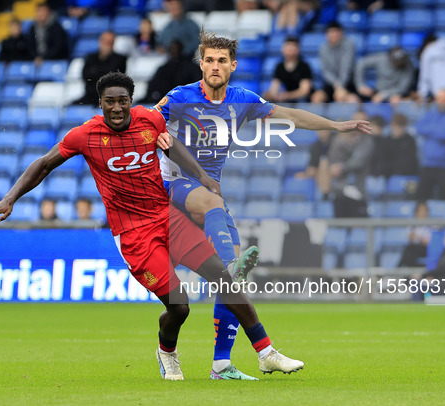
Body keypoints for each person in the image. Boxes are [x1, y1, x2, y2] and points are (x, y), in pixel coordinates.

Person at [0, 71, 305, 380]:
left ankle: (266, 353)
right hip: (134, 235)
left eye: (123, 101)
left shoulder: (149, 120)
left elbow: (171, 146)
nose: (117, 108)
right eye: (110, 101)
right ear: (100, 103)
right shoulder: (84, 135)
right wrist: (10, 198)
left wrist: (201, 175)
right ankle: (167, 352)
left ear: (131, 100)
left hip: (168, 218)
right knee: (180, 307)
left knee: (223, 277)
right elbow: (42, 164)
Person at [155, 29, 370, 379]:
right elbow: (145, 123)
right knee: (227, 255)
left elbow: (292, 116)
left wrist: (335, 125)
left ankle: (221, 365)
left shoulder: (242, 100)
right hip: (173, 185)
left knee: (232, 279)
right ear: (201, 63)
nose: (214, 66)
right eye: (208, 60)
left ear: (232, 66)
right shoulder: (178, 97)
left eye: (221, 61)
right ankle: (230, 271)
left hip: (209, 190)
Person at [415, 89, 445, 201]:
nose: (441, 102)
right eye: (439, 99)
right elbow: (419, 127)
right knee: (422, 200)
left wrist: (430, 130)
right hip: (428, 164)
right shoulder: (431, 113)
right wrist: (437, 128)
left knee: (443, 200)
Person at [327, 111, 373, 218]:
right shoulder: (340, 139)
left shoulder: (367, 141)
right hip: (339, 191)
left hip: (358, 192)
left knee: (359, 227)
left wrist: (341, 167)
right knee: (339, 227)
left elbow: (357, 161)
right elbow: (332, 158)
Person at [141, 40, 201, 104]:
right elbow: (153, 84)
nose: (173, 51)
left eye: (175, 48)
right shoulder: (164, 68)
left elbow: (198, 84)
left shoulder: (191, 67)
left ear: (181, 50)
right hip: (167, 101)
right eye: (171, 48)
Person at [311, 21, 358, 103]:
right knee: (316, 97)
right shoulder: (323, 48)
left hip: (348, 83)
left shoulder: (349, 45)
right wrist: (337, 85)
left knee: (347, 99)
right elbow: (326, 71)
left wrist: (340, 86)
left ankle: (341, 116)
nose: (333, 34)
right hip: (331, 84)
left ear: (341, 33)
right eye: (331, 32)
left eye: (336, 31)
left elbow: (346, 68)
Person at [76, 31, 127, 105]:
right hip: (90, 96)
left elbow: (113, 78)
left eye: (109, 42)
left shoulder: (120, 59)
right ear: (100, 41)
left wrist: (95, 71)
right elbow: (85, 76)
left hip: (111, 97)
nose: (107, 44)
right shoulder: (90, 58)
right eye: (105, 41)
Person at [263, 36, 313, 103]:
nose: (289, 50)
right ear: (283, 49)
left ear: (297, 50)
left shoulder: (304, 66)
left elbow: (304, 91)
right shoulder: (279, 67)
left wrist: (287, 95)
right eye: (287, 47)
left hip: (303, 100)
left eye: (292, 47)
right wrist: (272, 95)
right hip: (287, 99)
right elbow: (274, 88)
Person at [294, 129, 335, 200]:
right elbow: (312, 168)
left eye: (323, 130)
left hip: (339, 170)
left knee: (324, 163)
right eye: (318, 130)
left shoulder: (336, 141)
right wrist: (306, 174)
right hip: (323, 174)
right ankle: (325, 195)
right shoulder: (316, 145)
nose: (321, 133)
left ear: (328, 130)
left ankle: (326, 194)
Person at [381, 113, 418, 179]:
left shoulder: (410, 140)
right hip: (389, 176)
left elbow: (411, 160)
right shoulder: (386, 141)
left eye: (400, 126)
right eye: (395, 126)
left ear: (404, 127)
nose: (397, 129)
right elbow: (383, 161)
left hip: (407, 175)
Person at [398, 201, 431, 268]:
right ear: (416, 212)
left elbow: (427, 242)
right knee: (409, 251)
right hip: (414, 248)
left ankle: (397, 271)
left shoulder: (431, 225)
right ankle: (409, 273)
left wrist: (418, 237)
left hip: (426, 249)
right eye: (420, 211)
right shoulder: (413, 224)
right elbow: (410, 237)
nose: (422, 213)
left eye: (424, 211)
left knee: (409, 250)